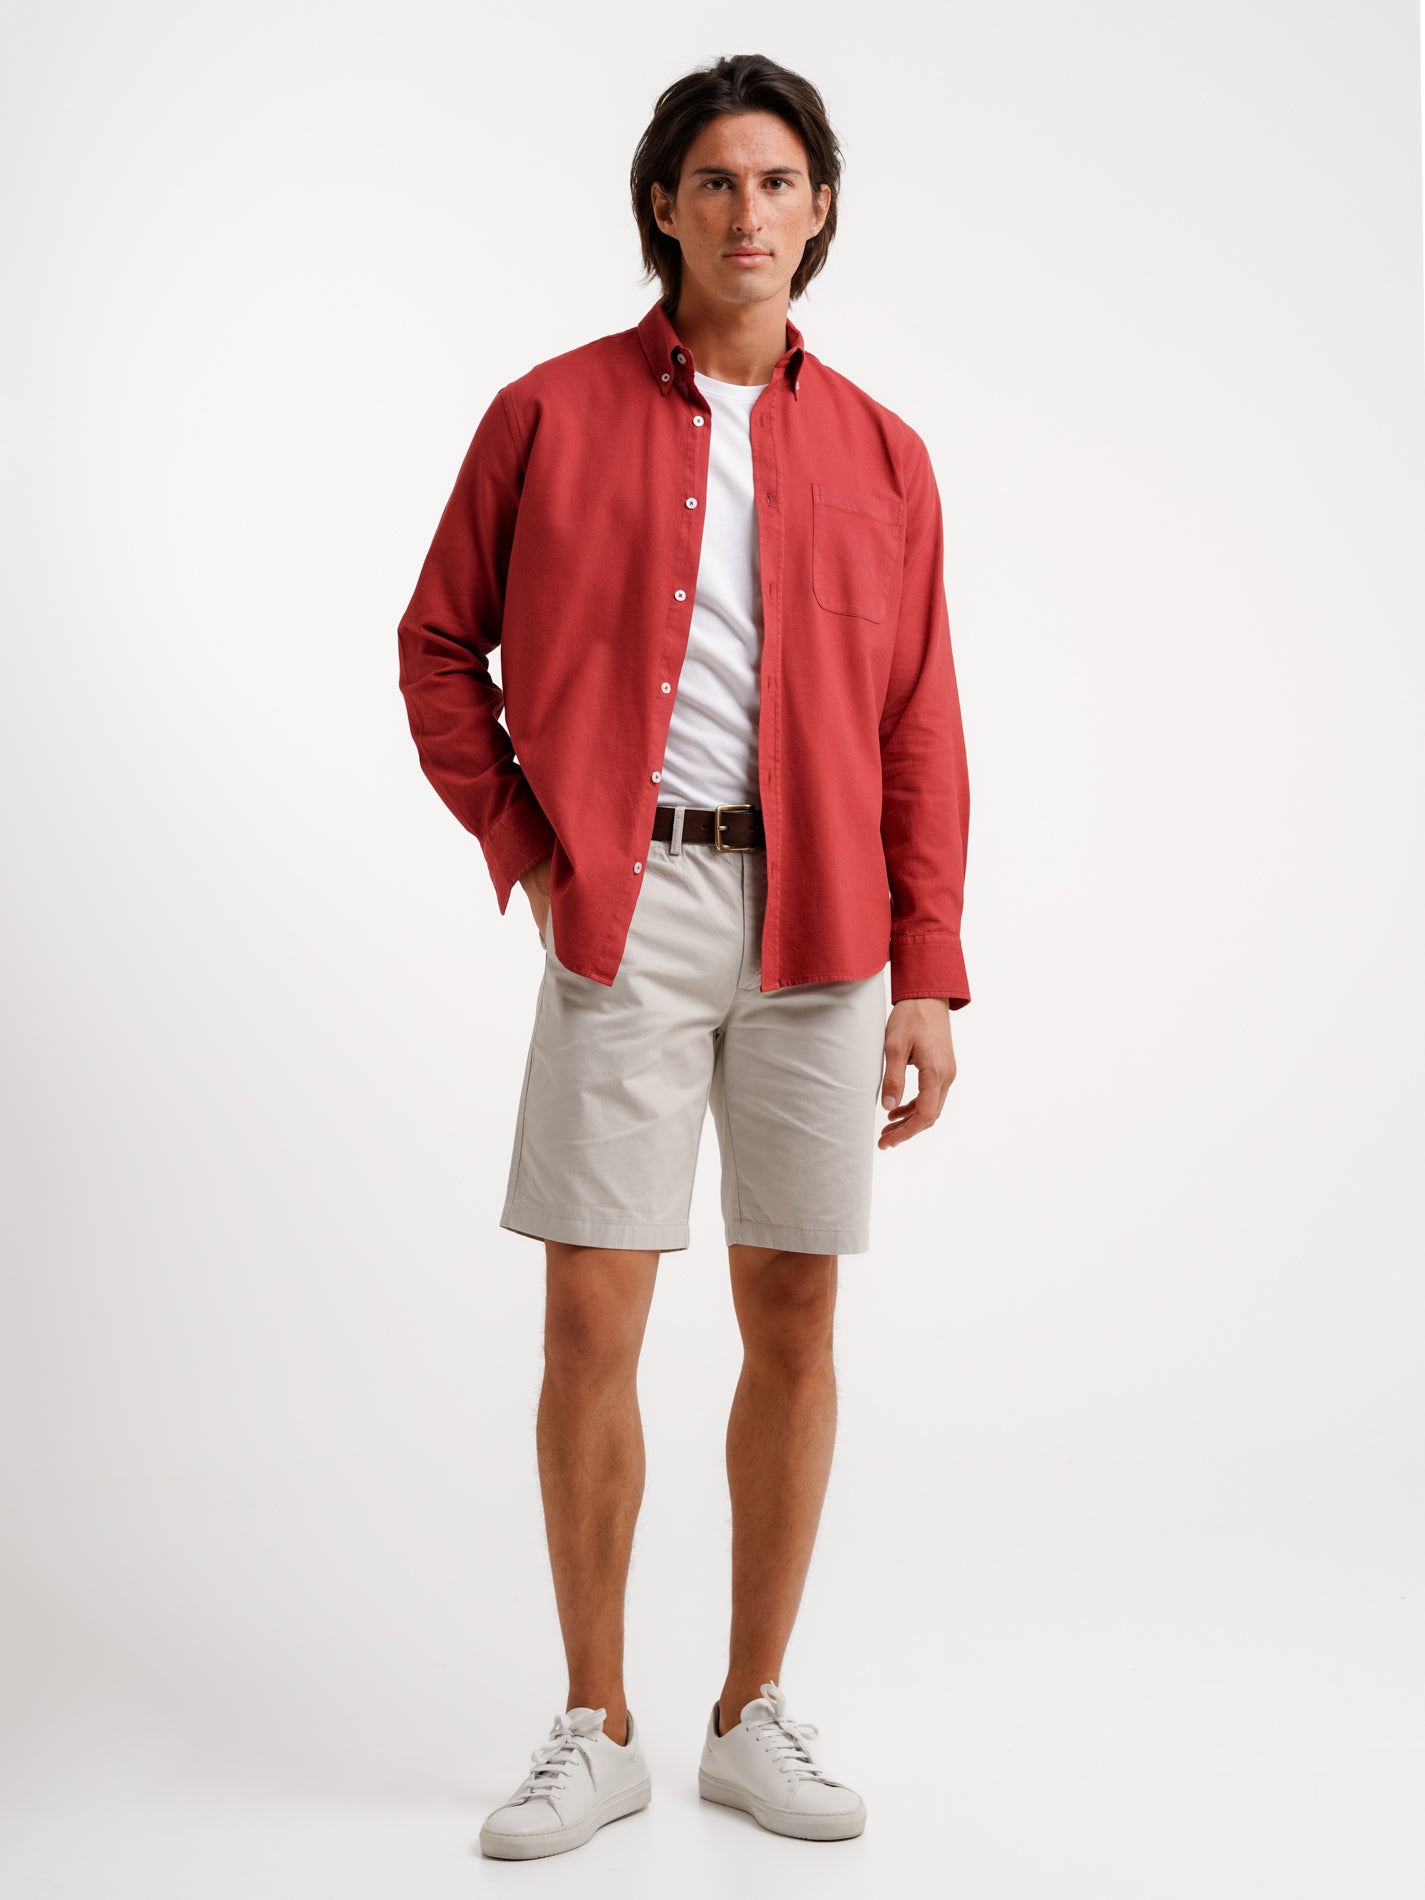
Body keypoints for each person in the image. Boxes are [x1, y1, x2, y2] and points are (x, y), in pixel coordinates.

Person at [396, 51, 971, 1859]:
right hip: (624, 908)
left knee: (793, 1311)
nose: (746, 212)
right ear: (663, 204)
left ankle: (749, 1712)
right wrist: (530, 849)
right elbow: (436, 647)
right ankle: (597, 1725)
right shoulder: (545, 414)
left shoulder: (883, 454)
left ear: (819, 208)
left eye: (777, 180)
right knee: (592, 1315)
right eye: (713, 180)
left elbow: (917, 725)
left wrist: (929, 969)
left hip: (827, 928)